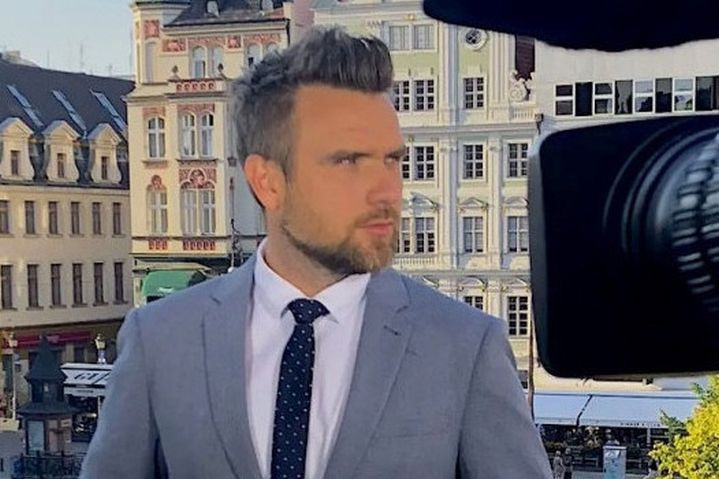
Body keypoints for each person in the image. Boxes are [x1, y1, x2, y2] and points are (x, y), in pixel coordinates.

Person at [80, 27, 551, 479]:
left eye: (393, 160)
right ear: (267, 181)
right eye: (348, 161)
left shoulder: (465, 347)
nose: (387, 190)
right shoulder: (161, 340)